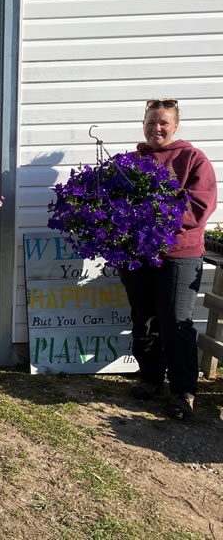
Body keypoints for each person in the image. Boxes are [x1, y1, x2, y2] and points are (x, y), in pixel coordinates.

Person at [119, 98, 217, 420]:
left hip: (179, 254)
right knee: (144, 317)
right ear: (143, 125)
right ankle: (150, 379)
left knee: (176, 322)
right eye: (151, 122)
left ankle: (183, 391)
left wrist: (154, 215)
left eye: (163, 123)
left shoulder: (193, 159)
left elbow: (200, 207)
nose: (156, 128)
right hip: (138, 254)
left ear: (175, 125)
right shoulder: (131, 161)